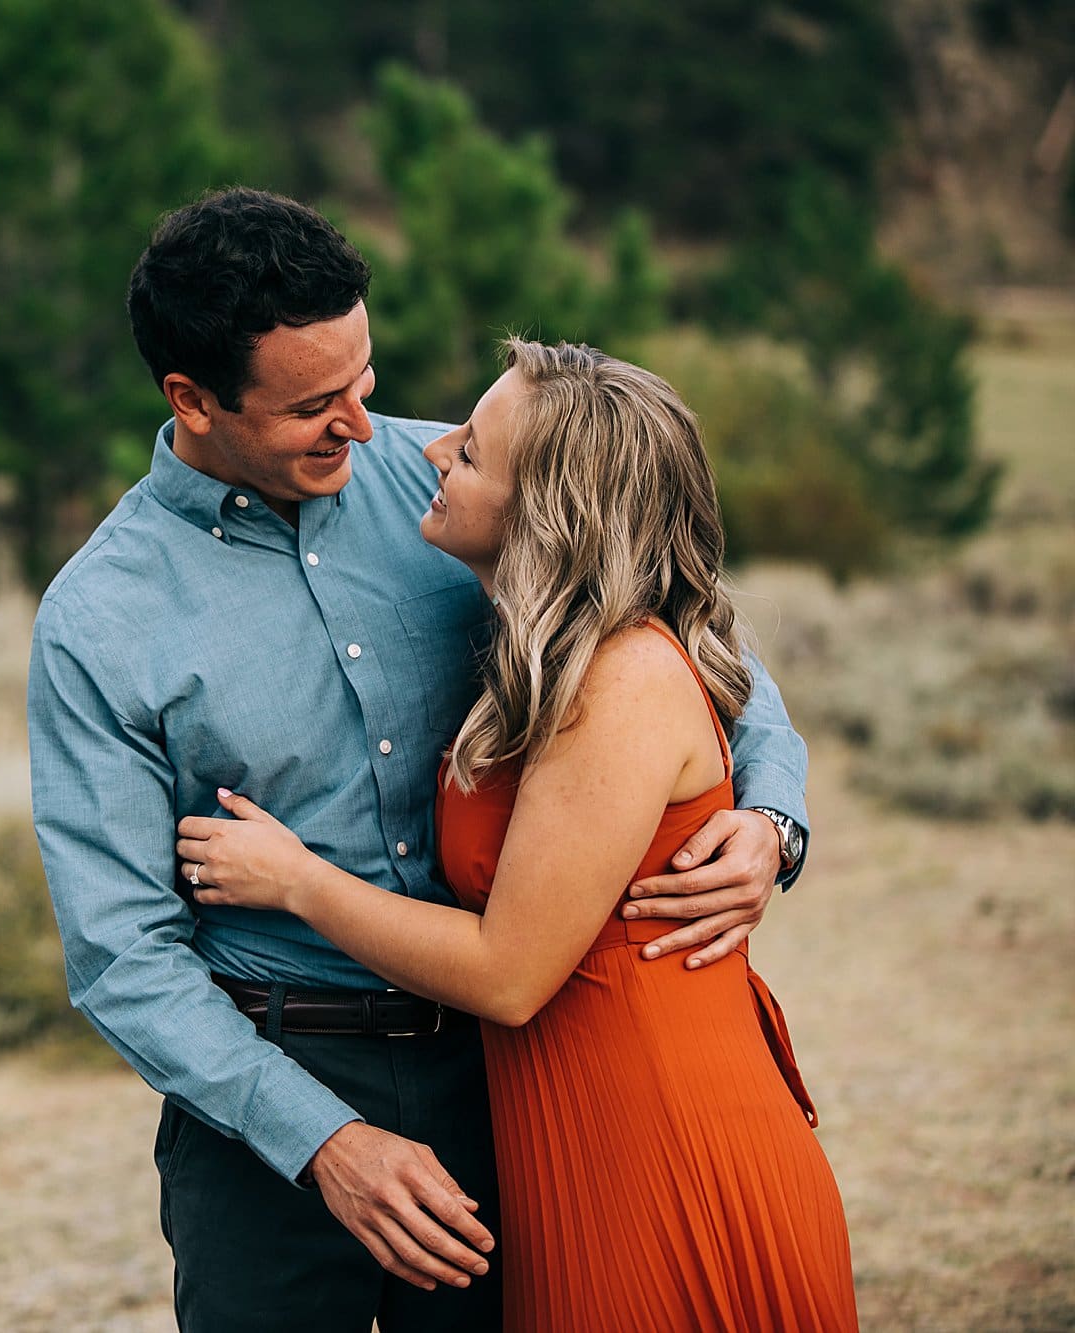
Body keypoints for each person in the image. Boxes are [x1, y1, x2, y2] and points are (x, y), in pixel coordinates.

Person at [27, 188, 812, 1332]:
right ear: (191, 400)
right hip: (267, 1099)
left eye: (363, 377)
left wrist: (769, 817)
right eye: (311, 404)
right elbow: (117, 955)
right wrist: (323, 1143)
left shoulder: (461, 485)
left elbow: (687, 643)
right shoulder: (99, 618)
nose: (361, 422)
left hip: (514, 1081)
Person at [176, 339, 857, 1331]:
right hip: (571, 1130)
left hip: (657, 1136)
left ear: (549, 515)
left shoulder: (618, 679)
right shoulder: (561, 651)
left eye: (472, 448)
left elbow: (506, 971)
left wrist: (295, 881)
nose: (429, 447)